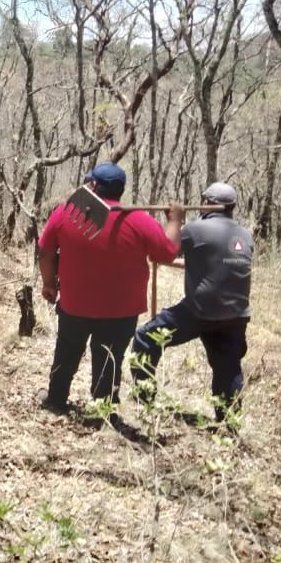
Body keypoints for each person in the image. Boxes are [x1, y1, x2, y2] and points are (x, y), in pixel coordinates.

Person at [37, 162, 183, 414]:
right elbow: (168, 252)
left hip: (75, 306)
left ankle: (56, 401)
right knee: (108, 361)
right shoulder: (140, 221)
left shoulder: (67, 213)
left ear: (93, 186)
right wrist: (175, 220)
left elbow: (46, 251)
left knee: (67, 352)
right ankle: (101, 411)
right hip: (120, 313)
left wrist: (49, 283)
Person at [131, 182, 253, 422]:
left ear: (207, 203)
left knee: (145, 339)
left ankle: (144, 401)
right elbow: (215, 262)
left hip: (200, 312)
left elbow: (162, 252)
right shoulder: (244, 234)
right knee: (228, 369)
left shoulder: (195, 230)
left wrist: (175, 220)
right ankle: (229, 425)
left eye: (203, 199)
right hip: (237, 315)